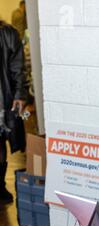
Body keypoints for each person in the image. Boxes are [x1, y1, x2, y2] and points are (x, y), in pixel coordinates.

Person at [0, 20, 27, 203]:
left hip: (3, 98)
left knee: (0, 142)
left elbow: (17, 67)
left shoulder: (8, 34)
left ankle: (0, 186)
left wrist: (20, 94)